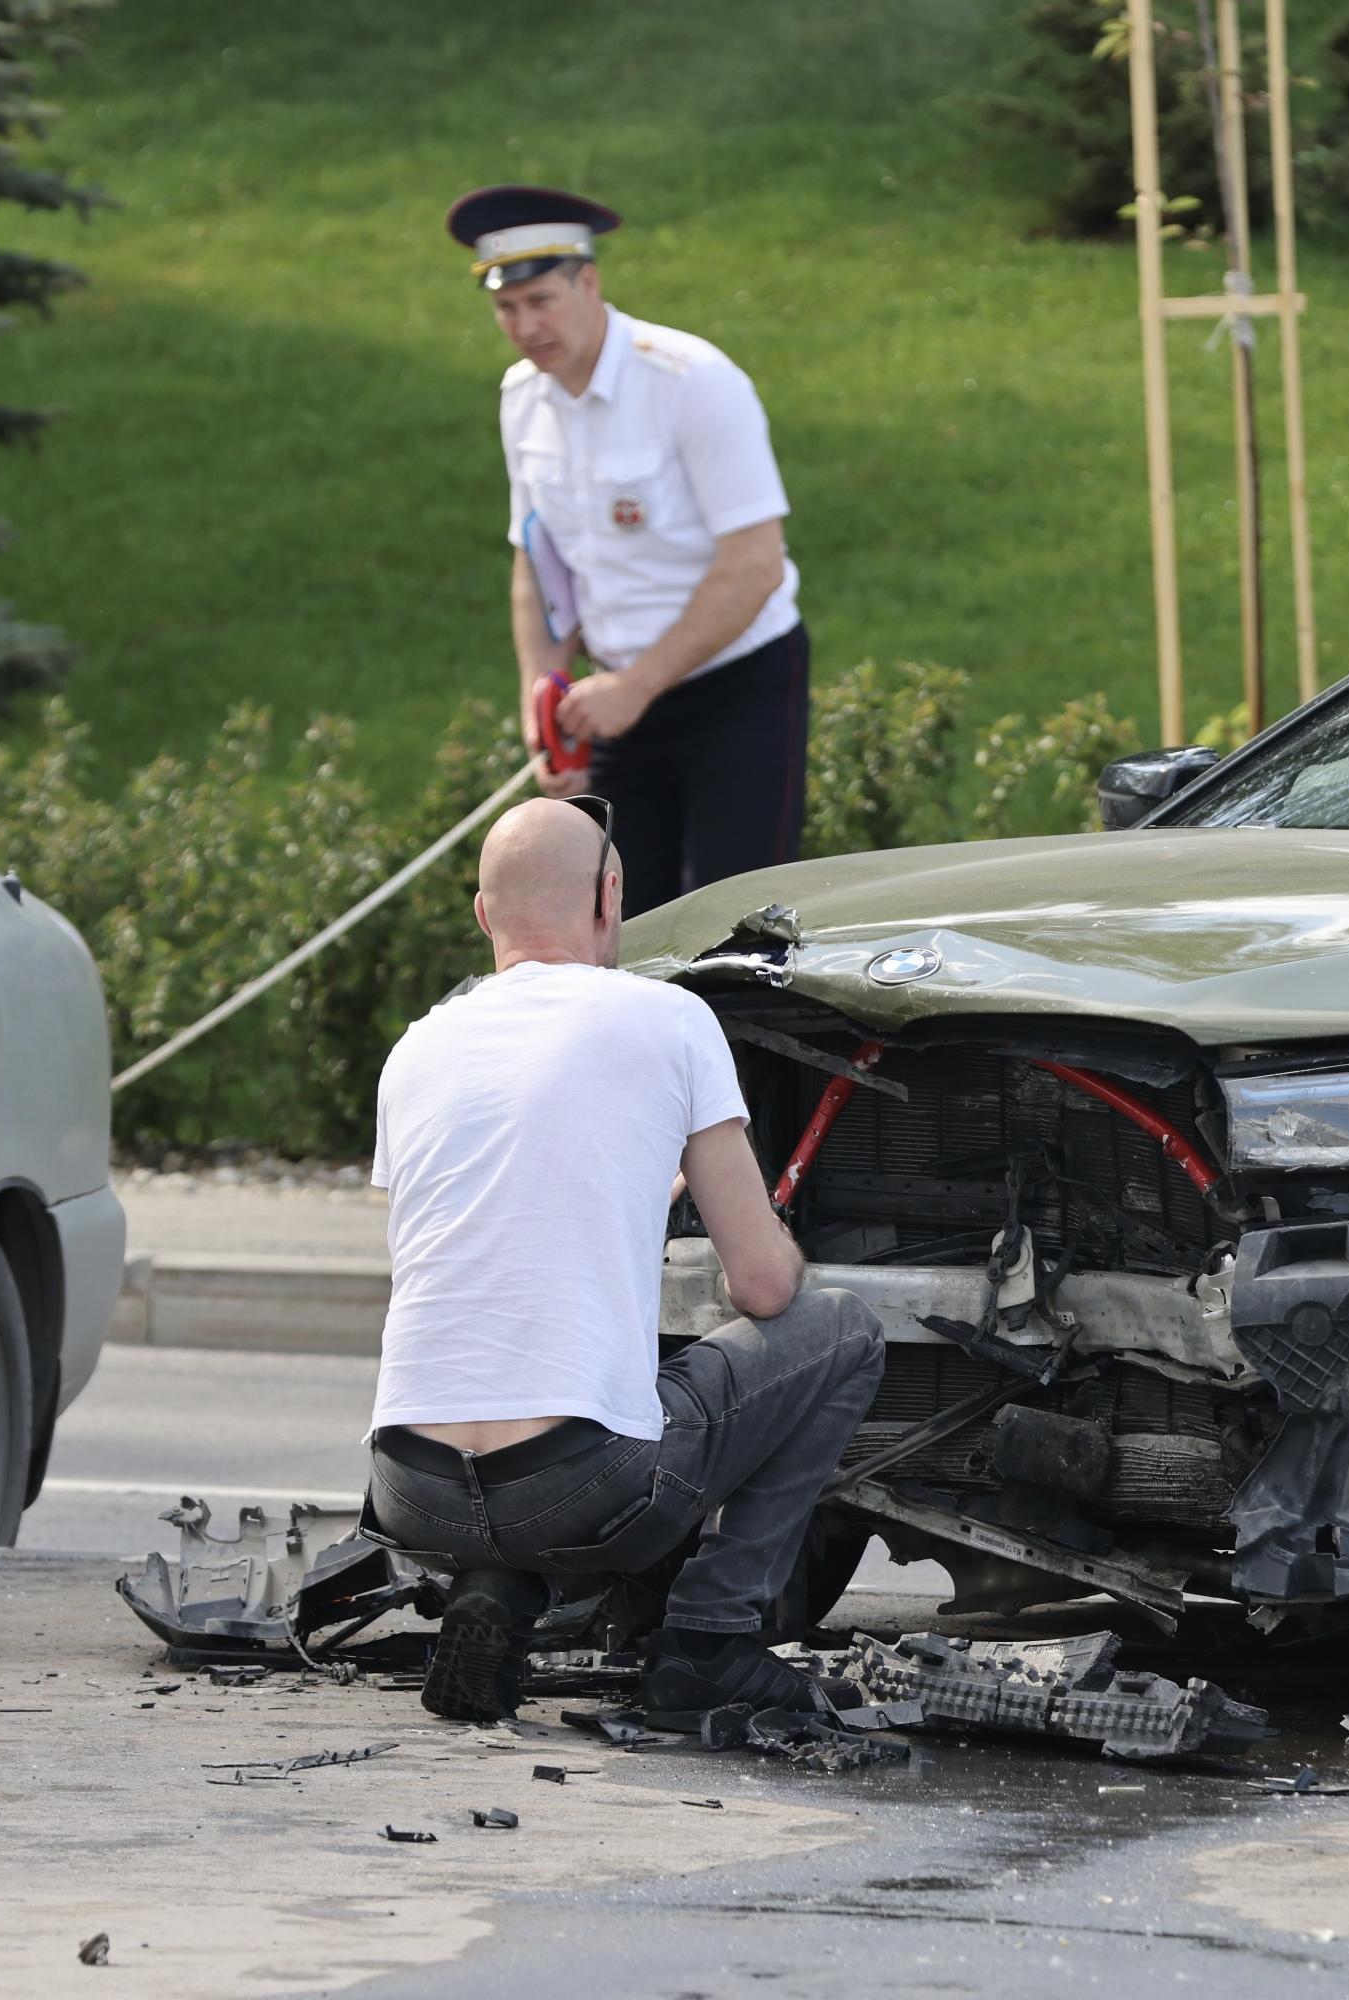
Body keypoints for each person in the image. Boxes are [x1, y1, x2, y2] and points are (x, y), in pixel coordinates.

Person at [362, 793, 884, 1726]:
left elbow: (474, 1254)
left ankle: (499, 1589)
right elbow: (761, 1285)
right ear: (611, 898)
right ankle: (711, 1645)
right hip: (577, 1489)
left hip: (410, 1496)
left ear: (482, 916)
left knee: (523, 1380)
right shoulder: (671, 1019)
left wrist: (637, 1188)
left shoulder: (414, 1051)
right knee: (837, 1330)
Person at [449, 184, 811, 917]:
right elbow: (536, 560)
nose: (525, 326)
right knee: (613, 923)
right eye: (506, 309)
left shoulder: (692, 382)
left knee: (734, 931)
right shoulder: (522, 397)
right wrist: (542, 690)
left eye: (541, 300)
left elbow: (755, 564)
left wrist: (640, 683)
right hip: (611, 701)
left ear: (590, 282)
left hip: (735, 690)